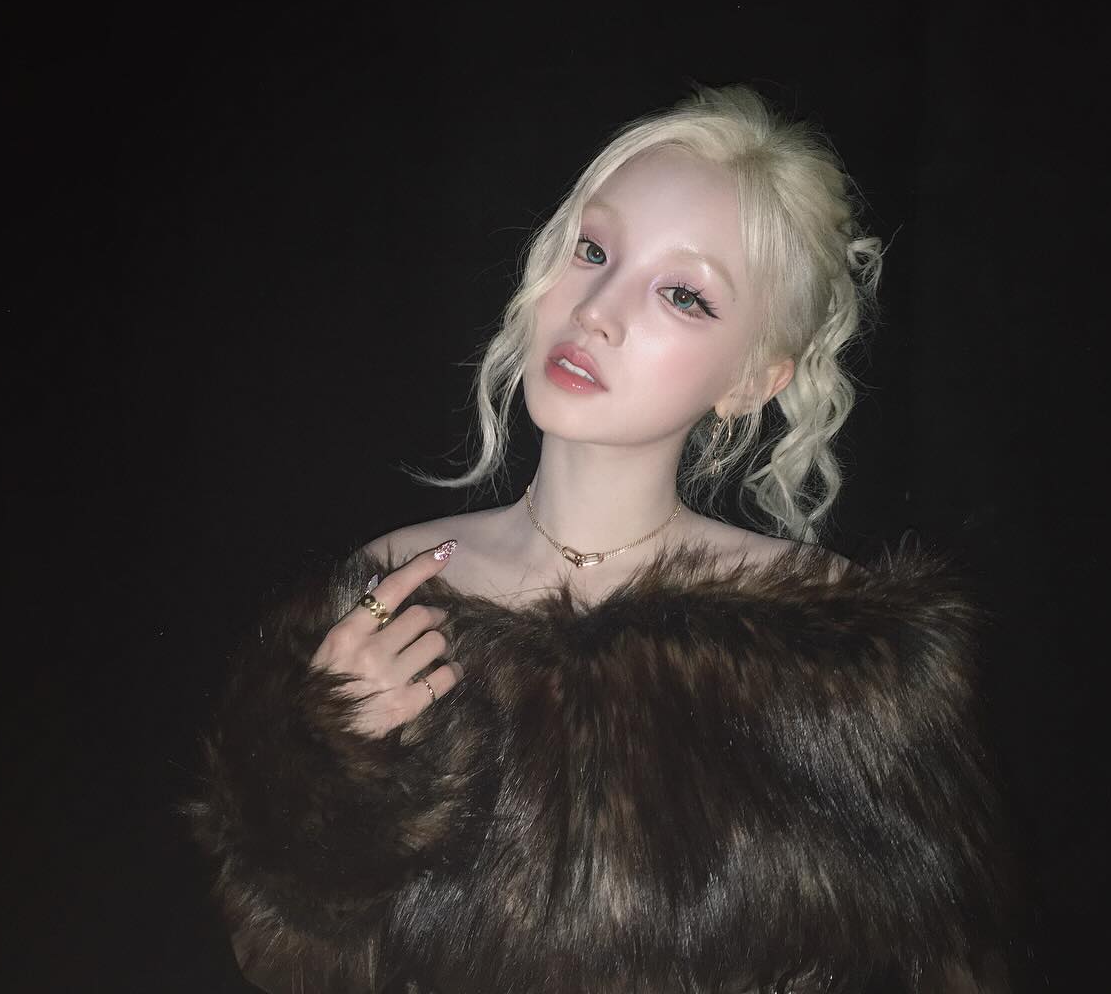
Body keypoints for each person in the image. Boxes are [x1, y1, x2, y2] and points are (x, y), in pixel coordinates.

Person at [186, 85, 1016, 993]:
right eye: (592, 250)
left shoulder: (841, 650)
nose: (596, 310)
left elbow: (934, 963)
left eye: (684, 295)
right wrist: (317, 771)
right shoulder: (392, 592)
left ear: (751, 381)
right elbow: (286, 951)